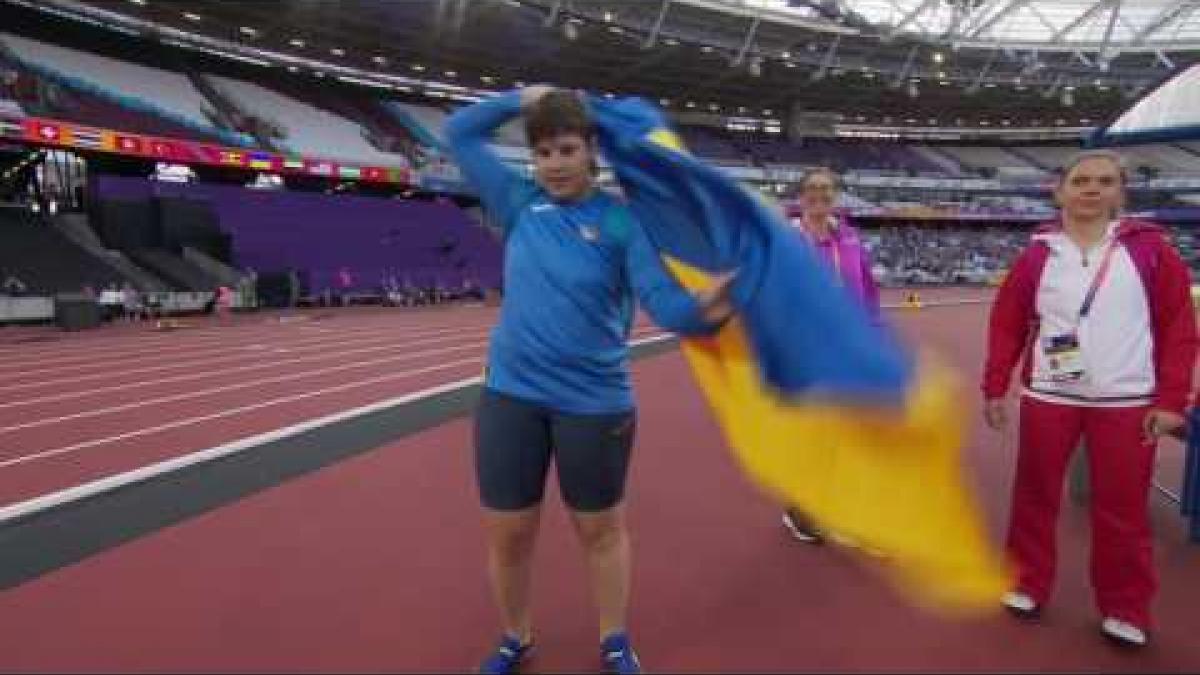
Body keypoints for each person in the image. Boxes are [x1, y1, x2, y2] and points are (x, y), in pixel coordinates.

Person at [445, 86, 735, 674]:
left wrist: (711, 307)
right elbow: (460, 133)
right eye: (544, 152)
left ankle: (615, 639)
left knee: (600, 530)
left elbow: (663, 303)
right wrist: (520, 98)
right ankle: (514, 637)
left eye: (567, 149)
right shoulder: (518, 203)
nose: (554, 164)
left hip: (594, 403)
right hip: (511, 399)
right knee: (510, 534)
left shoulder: (622, 222)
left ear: (591, 151)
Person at [982, 150, 1197, 648]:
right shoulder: (1038, 252)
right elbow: (1007, 322)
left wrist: (1170, 400)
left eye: (1105, 181)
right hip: (1050, 396)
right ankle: (1026, 581)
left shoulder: (1152, 252)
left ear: (1120, 192)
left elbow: (1179, 330)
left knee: (1122, 509)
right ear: (1060, 191)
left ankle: (1126, 606)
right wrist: (995, 385)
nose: (1092, 189)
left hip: (1128, 402)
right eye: (1080, 180)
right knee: (1034, 496)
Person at [779, 168, 882, 546]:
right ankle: (800, 509)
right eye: (812, 188)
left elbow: (868, 293)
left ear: (836, 194)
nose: (820, 195)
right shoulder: (786, 240)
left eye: (827, 188)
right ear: (801, 195)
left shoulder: (851, 240)